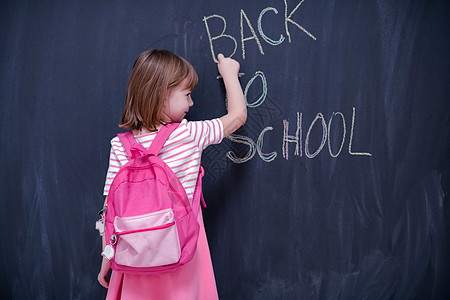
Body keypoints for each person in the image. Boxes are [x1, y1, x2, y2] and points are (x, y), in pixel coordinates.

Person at [97, 49, 246, 299]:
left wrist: (108, 258)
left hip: (134, 256)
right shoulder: (188, 135)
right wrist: (230, 73)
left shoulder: (119, 145)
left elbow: (109, 209)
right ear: (162, 94)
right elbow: (238, 116)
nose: (191, 103)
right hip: (182, 251)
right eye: (187, 95)